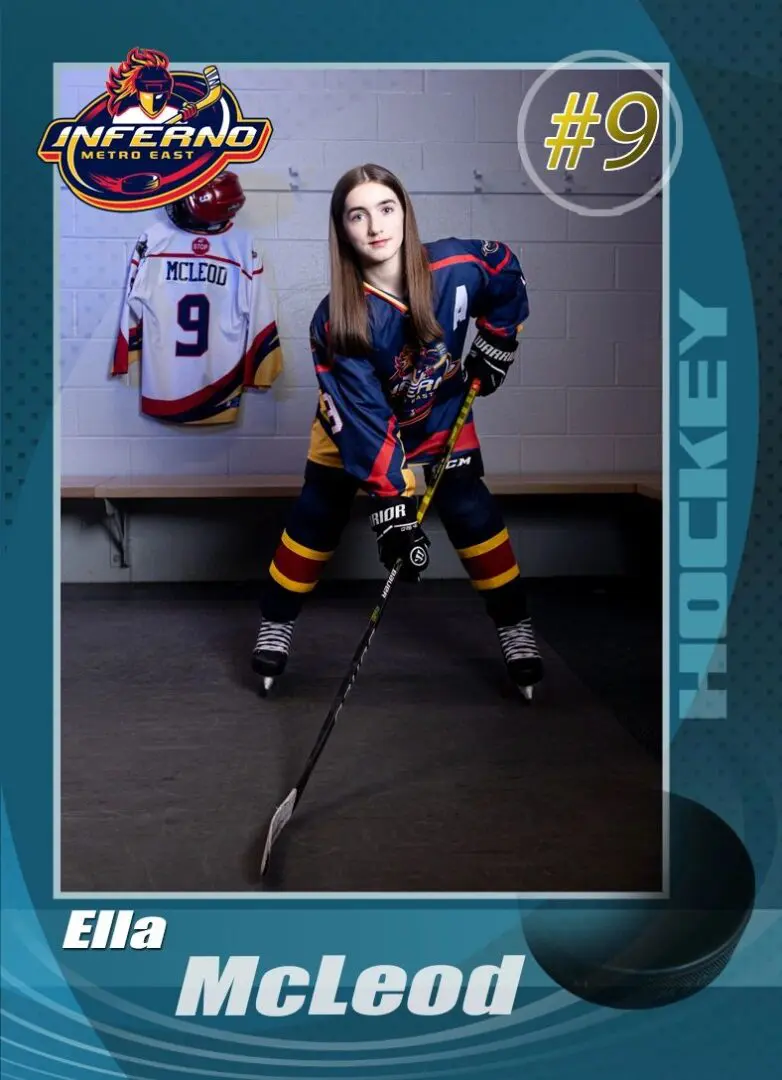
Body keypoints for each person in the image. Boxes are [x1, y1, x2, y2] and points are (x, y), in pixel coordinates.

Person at [252, 163, 543, 699]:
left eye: (385, 209)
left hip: (437, 414)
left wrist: (498, 340)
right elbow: (364, 421)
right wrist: (393, 507)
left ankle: (515, 628)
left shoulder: (455, 265)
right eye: (356, 215)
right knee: (317, 515)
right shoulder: (338, 320)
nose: (374, 226)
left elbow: (504, 273)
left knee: (472, 512)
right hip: (355, 430)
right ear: (342, 230)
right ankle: (277, 621)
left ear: (405, 213)